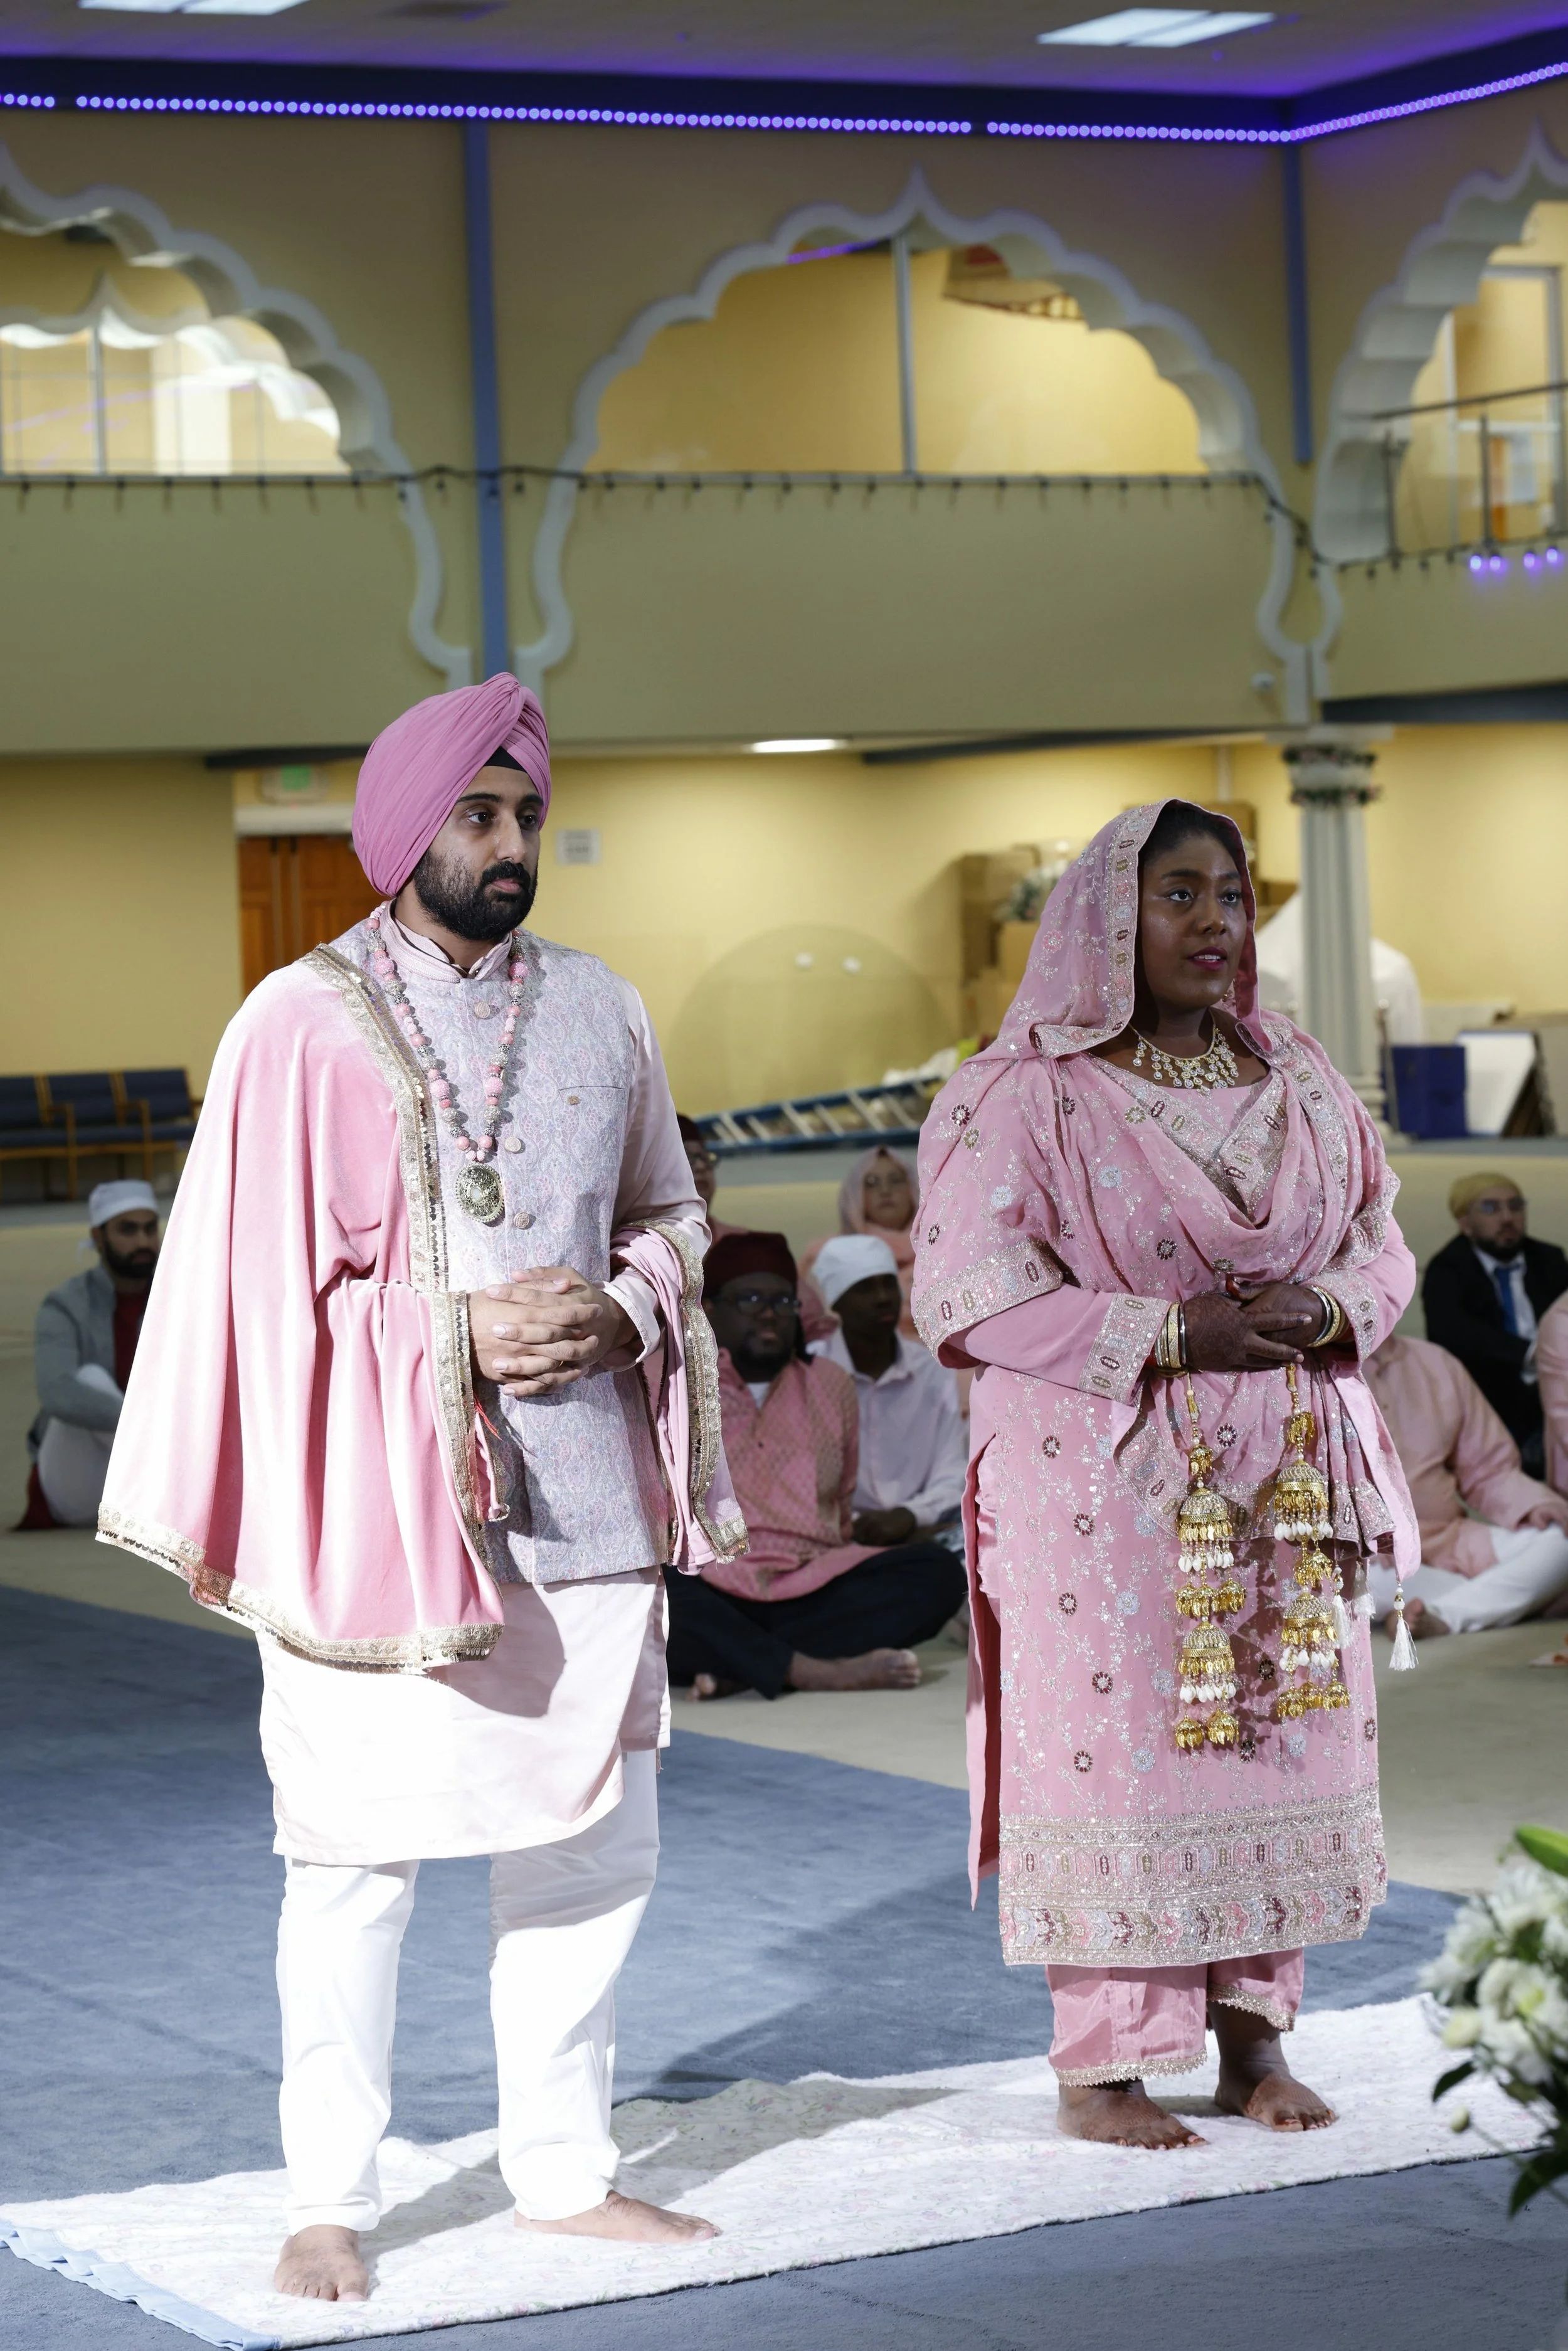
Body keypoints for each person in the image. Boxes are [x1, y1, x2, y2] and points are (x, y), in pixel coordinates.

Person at [98, 672, 744, 2306]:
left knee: (591, 1846)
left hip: (585, 1491)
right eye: (480, 812)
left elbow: (676, 1211)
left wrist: (626, 1305)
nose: (511, 841)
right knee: (351, 1861)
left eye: (526, 811)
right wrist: (445, 1329)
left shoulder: (604, 1007)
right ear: (403, 829)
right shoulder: (295, 1023)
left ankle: (562, 2170)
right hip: (372, 1510)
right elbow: (252, 1293)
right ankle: (330, 2192)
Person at [914, 800, 1418, 2152]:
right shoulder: (1022, 1091)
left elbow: (1380, 1237)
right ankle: (1104, 2065)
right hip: (1104, 1485)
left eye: (1230, 895)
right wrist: (1166, 1329)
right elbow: (964, 1293)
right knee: (1132, 1757)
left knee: (1273, 1726)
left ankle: (1254, 2034)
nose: (1213, 922)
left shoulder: (1299, 1071)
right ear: (1103, 921)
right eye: (1176, 894)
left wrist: (1327, 1310)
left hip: (1286, 1471)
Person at [665, 1229, 968, 1702]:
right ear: (712, 1311)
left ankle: (744, 1664)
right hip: (714, 1583)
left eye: (783, 1301)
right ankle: (811, 1670)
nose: (768, 1312)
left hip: (814, 1580)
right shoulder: (680, 1391)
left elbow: (840, 1505)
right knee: (657, 1594)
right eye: (750, 1299)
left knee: (939, 1575)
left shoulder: (831, 1385)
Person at [1364, 1331, 1568, 1636]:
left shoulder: (1435, 1363)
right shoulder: (1304, 1373)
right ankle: (1490, 1599)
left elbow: (1489, 1470)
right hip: (1365, 1554)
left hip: (1448, 1539)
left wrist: (1536, 1503)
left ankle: (1443, 1614)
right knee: (1352, 1582)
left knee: (1560, 1543)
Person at [18, 1179, 160, 1530]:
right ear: (98, 1237)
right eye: (128, 1230)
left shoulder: (179, 1298)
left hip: (147, 1474)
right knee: (88, 1381)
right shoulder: (65, 1304)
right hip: (79, 1480)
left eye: (149, 1229)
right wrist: (145, 1425)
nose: (142, 1242)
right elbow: (58, 1392)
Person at [807, 1234, 967, 1544]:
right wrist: (855, 1526)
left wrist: (910, 1515)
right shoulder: (810, 1371)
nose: (883, 1297)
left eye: (888, 1284)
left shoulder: (932, 1371)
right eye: (865, 1288)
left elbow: (952, 1469)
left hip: (926, 1530)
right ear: (837, 1301)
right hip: (831, 1536)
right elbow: (798, 1479)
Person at [1421, 1174, 1568, 1477]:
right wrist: (1531, 1354)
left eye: (1515, 1206)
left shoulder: (1549, 1259)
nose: (1507, 1218)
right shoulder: (1447, 1269)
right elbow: (1454, 1335)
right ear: (1465, 1222)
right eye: (1491, 1209)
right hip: (1489, 1395)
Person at [800, 1144, 920, 1339]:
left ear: (914, 1188)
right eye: (872, 1183)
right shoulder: (829, 1256)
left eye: (896, 1180)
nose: (885, 1191)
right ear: (855, 1194)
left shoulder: (943, 1254)